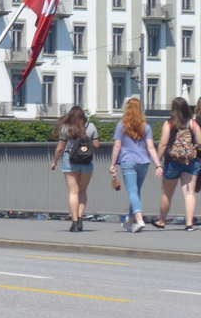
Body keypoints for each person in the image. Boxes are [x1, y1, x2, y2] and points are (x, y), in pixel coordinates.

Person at [108, 97, 158, 233]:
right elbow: (151, 147)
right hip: (144, 162)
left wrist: (113, 164)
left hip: (128, 161)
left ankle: (139, 219)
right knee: (136, 191)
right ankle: (130, 222)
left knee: (132, 191)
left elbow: (117, 146)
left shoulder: (122, 125)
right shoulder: (146, 127)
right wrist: (158, 164)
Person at [154, 96, 201, 230]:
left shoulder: (168, 124)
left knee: (166, 193)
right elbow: (200, 142)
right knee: (189, 192)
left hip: (172, 162)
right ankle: (189, 223)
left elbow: (163, 144)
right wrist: (192, 148)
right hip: (191, 162)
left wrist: (157, 161)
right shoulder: (192, 124)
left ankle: (162, 221)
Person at [51, 105, 99, 232]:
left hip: (70, 161)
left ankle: (74, 222)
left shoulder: (66, 128)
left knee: (73, 192)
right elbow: (96, 145)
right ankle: (80, 218)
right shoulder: (91, 126)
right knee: (82, 192)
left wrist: (55, 161)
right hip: (86, 161)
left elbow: (60, 147)